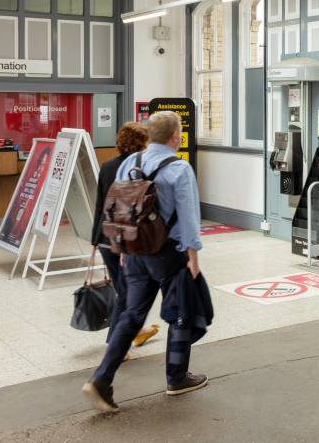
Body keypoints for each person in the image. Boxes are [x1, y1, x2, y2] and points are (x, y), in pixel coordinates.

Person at [82, 111, 206, 413]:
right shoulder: (179, 168)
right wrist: (193, 256)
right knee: (180, 311)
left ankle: (101, 379)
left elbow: (119, 207)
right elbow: (188, 217)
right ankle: (176, 378)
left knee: (132, 314)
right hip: (169, 253)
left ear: (150, 136)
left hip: (134, 253)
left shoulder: (129, 163)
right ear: (175, 136)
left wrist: (122, 248)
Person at [90, 122, 160, 348]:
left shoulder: (108, 166)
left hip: (105, 236)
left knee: (125, 288)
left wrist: (94, 240)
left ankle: (135, 331)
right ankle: (116, 342)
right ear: (142, 143)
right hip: (126, 238)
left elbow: (100, 204)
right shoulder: (140, 170)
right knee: (128, 291)